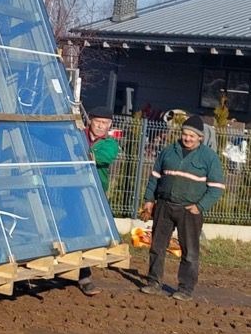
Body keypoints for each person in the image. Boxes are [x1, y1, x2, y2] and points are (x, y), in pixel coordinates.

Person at [138, 113, 224, 301]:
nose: (187, 138)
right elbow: (154, 177)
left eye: (192, 136)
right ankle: (154, 282)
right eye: (185, 134)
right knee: (157, 247)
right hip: (164, 206)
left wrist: (200, 206)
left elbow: (217, 188)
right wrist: (149, 200)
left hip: (189, 211)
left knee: (190, 252)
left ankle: (185, 289)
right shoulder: (169, 151)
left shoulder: (209, 157)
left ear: (200, 137)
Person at [79, 106, 119, 297]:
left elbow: (102, 157)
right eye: (98, 122)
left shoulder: (110, 144)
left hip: (94, 192)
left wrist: (80, 153)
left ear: (109, 126)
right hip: (69, 190)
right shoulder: (77, 134)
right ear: (90, 121)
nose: (101, 126)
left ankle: (84, 276)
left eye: (105, 123)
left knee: (89, 232)